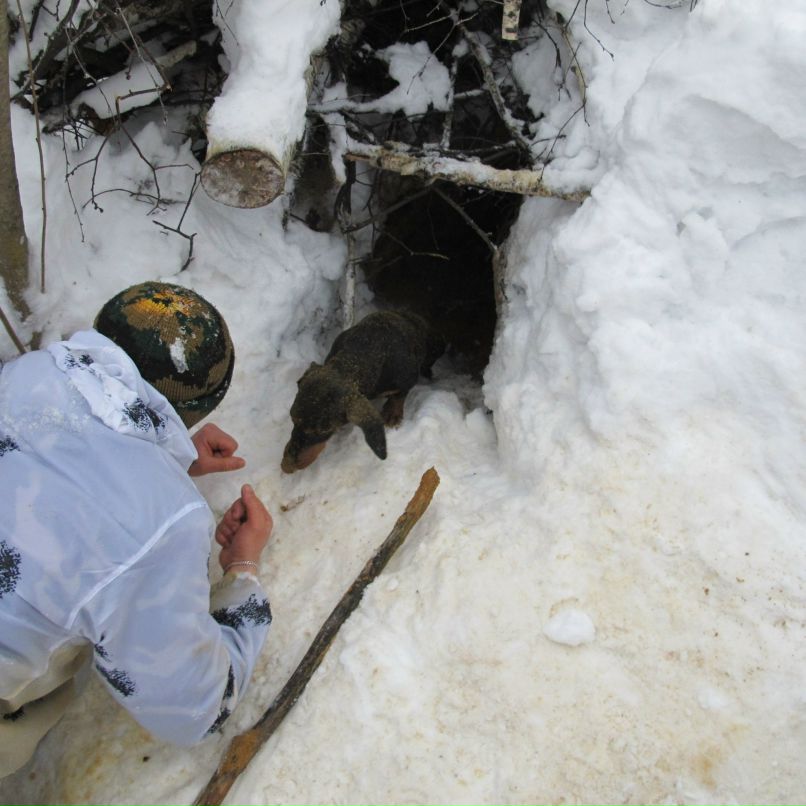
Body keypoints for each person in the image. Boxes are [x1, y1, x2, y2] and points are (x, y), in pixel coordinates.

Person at [0, 281, 274, 778]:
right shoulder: (161, 530)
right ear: (200, 407)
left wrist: (169, 460)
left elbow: (53, 475)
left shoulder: (25, 373)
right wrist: (242, 570)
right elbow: (194, 709)